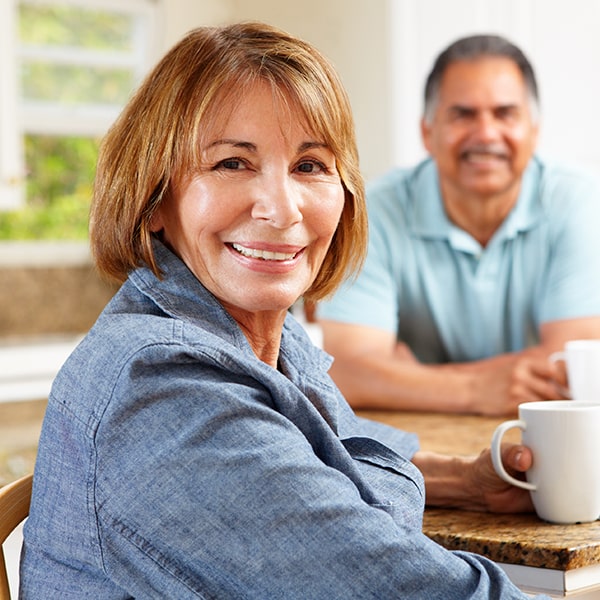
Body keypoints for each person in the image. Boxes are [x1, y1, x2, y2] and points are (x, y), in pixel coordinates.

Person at [20, 23, 547, 599]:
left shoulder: (271, 340)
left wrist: (463, 481)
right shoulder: (161, 388)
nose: (282, 209)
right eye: (231, 164)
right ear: (153, 199)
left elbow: (330, 451)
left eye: (310, 166)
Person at [316, 34, 600, 416]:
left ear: (534, 131)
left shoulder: (580, 201)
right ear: (427, 133)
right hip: (419, 445)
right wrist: (474, 390)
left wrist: (410, 379)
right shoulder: (373, 212)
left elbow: (572, 369)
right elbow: (346, 373)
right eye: (462, 114)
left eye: (505, 113)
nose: (485, 134)